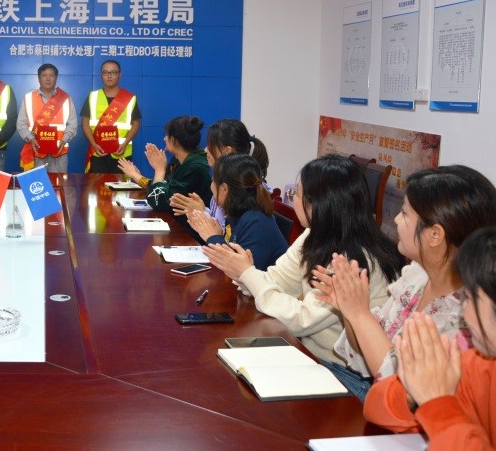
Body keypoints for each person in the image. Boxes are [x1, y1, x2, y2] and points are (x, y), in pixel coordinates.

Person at [201, 154, 403, 370]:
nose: (293, 200)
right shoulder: (314, 235)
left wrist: (247, 273)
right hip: (306, 351)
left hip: (341, 370)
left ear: (317, 204)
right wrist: (243, 272)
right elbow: (275, 281)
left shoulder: (353, 261)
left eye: (295, 195)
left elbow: (301, 320)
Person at [313, 166, 496, 400]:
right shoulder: (416, 276)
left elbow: (404, 392)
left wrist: (359, 314)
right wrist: (349, 310)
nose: (396, 219)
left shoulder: (468, 313)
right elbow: (363, 353)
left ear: (435, 234)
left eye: (404, 213)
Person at [364, 226, 496, 449]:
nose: (463, 311)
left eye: (469, 297)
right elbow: (375, 407)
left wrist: (438, 404)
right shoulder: (478, 363)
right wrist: (412, 390)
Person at [186, 154, 287, 271]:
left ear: (224, 189)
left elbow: (241, 273)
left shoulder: (256, 222)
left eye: (213, 180)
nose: (211, 186)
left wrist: (213, 237)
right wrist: (209, 231)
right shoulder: (237, 213)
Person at [116, 116, 212, 238]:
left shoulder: (195, 167)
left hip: (190, 234)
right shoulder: (181, 160)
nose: (164, 139)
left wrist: (159, 169)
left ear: (174, 140)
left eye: (167, 135)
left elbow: (159, 201)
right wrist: (138, 177)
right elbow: (163, 187)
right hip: (178, 225)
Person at [170, 118, 270, 227]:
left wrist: (203, 213)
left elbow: (228, 232)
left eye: (210, 145)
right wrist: (202, 211)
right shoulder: (226, 180)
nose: (205, 150)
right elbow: (220, 221)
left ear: (227, 151)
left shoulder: (240, 188)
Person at [80, 59, 141, 173]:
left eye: (113, 72)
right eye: (105, 72)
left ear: (119, 75)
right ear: (101, 75)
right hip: (97, 151)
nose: (109, 76)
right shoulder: (93, 96)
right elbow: (84, 122)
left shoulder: (129, 98)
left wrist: (125, 143)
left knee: (120, 184)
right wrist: (93, 144)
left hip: (121, 152)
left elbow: (136, 123)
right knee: (96, 184)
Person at [16, 63, 78, 173]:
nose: (48, 79)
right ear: (39, 78)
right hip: (36, 151)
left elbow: (72, 124)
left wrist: (64, 140)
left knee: (58, 183)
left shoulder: (65, 98)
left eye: (51, 75)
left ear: (56, 78)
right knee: (36, 183)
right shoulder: (29, 98)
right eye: (44, 75)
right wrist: (31, 139)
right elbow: (21, 123)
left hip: (59, 152)